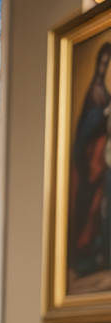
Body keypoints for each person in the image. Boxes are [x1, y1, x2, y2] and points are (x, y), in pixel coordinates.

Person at [67, 42, 111, 279]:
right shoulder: (96, 98)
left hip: (104, 166)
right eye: (103, 63)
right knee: (91, 212)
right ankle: (89, 251)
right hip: (96, 164)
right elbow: (86, 130)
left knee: (101, 210)